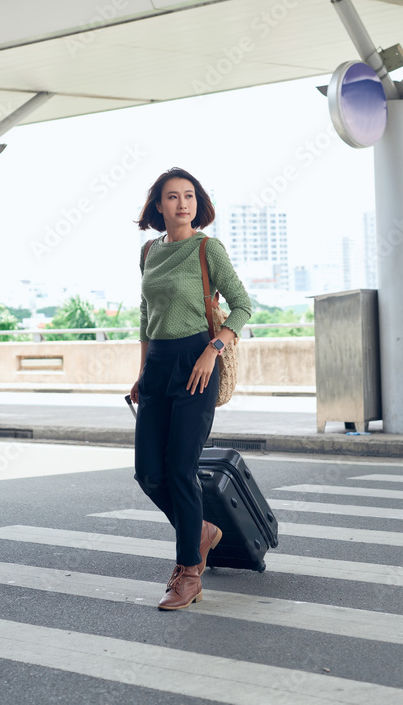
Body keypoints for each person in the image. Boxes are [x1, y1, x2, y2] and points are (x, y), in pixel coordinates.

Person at [131, 167, 252, 610]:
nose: (182, 204)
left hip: (197, 365)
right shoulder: (149, 252)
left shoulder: (207, 249)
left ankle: (188, 572)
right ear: (158, 206)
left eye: (189, 196)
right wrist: (143, 371)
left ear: (198, 204)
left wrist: (213, 349)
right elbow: (146, 316)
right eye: (172, 197)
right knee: (148, 472)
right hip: (158, 367)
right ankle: (200, 530)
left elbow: (242, 305)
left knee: (181, 469)